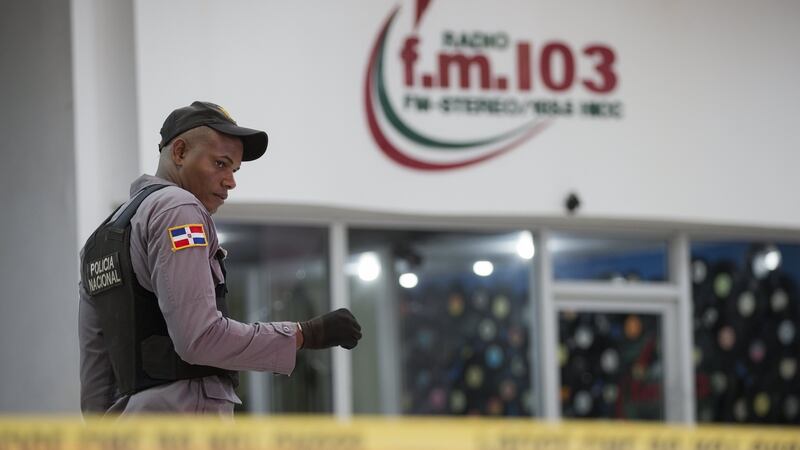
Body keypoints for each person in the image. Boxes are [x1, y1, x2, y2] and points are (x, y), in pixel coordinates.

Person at [78, 101, 362, 415]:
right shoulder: (178, 209)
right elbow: (199, 337)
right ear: (180, 152)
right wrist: (305, 334)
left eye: (234, 170)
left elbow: (95, 380)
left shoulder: (102, 238)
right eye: (220, 164)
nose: (231, 181)